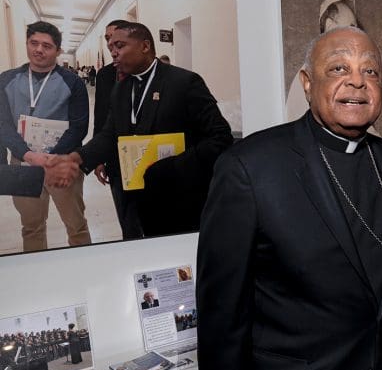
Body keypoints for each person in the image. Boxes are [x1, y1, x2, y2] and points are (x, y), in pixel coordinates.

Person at [196, 26, 382, 370]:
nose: (357, 82)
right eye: (339, 69)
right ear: (308, 84)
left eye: (370, 70)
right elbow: (220, 307)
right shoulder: (251, 165)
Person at [57, 22, 233, 237]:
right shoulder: (121, 89)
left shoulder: (184, 82)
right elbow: (110, 134)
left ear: (145, 46)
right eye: (110, 47)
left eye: (120, 46)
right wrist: (77, 157)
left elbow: (220, 137)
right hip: (136, 192)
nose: (113, 53)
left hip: (180, 193)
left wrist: (172, 166)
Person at [0, 21, 91, 252]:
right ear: (27, 44)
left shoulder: (73, 83)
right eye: (34, 43)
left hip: (61, 164)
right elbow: (3, 124)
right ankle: (37, 273)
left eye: (47, 46)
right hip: (23, 164)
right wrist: (29, 155)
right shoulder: (7, 79)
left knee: (76, 225)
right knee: (31, 227)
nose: (39, 49)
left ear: (58, 51)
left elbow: (78, 127)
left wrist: (51, 159)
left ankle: (85, 270)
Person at [91, 19, 141, 239]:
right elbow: (101, 115)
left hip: (148, 154)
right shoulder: (105, 75)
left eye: (116, 41)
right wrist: (97, 157)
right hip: (117, 155)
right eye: (108, 41)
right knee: (125, 212)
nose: (111, 45)